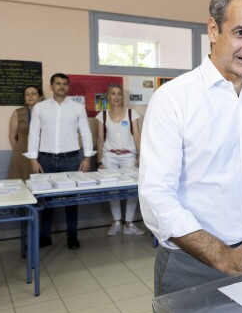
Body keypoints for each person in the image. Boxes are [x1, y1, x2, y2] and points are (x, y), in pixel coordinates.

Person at [139, 0, 242, 296]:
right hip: (193, 264)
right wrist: (225, 256)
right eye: (241, 33)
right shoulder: (173, 99)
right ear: (213, 29)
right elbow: (157, 199)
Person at [27, 73, 94, 249]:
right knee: (46, 200)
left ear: (67, 87)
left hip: (71, 159)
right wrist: (33, 159)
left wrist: (87, 158)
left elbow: (86, 133)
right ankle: (45, 236)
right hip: (46, 159)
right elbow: (34, 133)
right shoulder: (40, 107)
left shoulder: (77, 107)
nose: (61, 86)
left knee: (71, 201)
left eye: (65, 84)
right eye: (58, 83)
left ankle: (72, 236)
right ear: (51, 86)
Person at [95, 84, 145, 236]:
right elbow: (100, 139)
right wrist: (99, 161)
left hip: (128, 155)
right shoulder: (101, 115)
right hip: (109, 156)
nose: (116, 97)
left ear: (123, 97)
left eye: (119, 94)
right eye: (113, 94)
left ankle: (129, 223)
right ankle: (117, 221)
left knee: (131, 189)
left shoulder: (131, 114)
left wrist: (141, 155)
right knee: (113, 189)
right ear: (108, 96)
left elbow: (137, 135)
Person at [8, 85, 43, 180]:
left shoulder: (46, 113)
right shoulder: (18, 113)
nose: (30, 96)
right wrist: (18, 152)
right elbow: (12, 136)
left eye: (33, 94)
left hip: (42, 151)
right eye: (27, 94)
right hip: (22, 151)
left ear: (40, 97)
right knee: (21, 181)